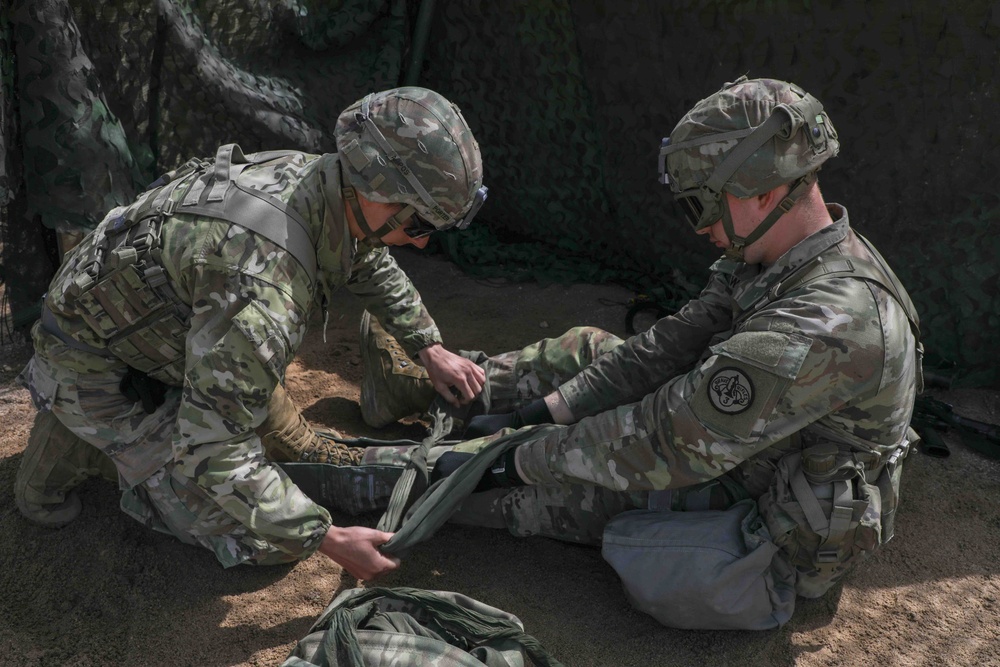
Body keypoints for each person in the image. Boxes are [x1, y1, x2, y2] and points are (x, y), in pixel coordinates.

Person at [356, 76, 922, 610]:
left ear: (765, 191)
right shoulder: (784, 254)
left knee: (562, 486)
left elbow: (667, 441)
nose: (698, 228)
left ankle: (362, 471)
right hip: (732, 444)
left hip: (764, 503)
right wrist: (545, 410)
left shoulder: (828, 321)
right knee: (591, 352)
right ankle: (427, 389)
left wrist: (512, 459)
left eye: (700, 205)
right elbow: (671, 345)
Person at [14, 86, 488, 580]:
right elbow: (213, 448)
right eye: (418, 223)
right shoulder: (263, 287)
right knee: (264, 538)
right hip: (94, 363)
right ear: (377, 192)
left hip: (168, 327)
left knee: (293, 444)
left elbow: (366, 260)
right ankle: (70, 443)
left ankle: (153, 411)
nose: (423, 238)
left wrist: (427, 347)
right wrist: (326, 537)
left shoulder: (320, 179)